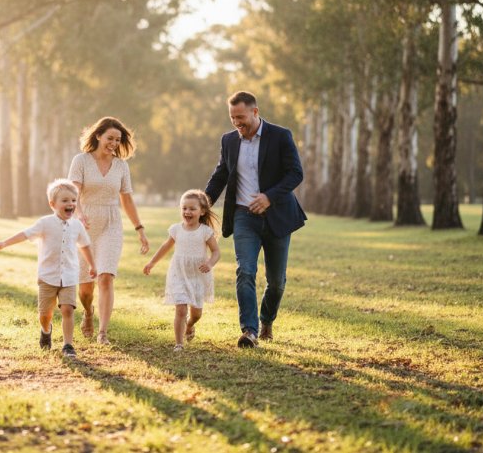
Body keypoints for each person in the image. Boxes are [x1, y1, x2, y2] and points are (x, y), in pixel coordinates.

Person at [204, 91, 306, 348]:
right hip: (243, 216)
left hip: (277, 216)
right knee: (245, 270)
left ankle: (266, 319)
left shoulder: (280, 136)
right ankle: (249, 331)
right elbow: (221, 175)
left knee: (276, 282)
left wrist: (269, 197)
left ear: (255, 112)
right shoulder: (229, 141)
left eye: (241, 116)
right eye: (232, 117)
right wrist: (204, 202)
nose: (237, 122)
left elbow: (295, 173)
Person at [0, 179, 97, 359]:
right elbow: (24, 234)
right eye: (65, 201)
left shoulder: (77, 225)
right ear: (52, 204)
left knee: (67, 310)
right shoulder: (45, 223)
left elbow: (85, 245)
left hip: (70, 276)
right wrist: (4, 243)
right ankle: (46, 330)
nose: (70, 204)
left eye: (73, 200)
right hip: (48, 276)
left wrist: (92, 265)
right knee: (45, 314)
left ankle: (68, 345)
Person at [68, 116, 150, 345]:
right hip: (85, 225)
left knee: (105, 277)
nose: (113, 143)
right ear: (97, 136)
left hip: (111, 223)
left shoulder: (122, 166)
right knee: (85, 289)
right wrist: (79, 213)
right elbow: (74, 192)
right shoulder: (81, 161)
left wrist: (139, 229)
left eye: (118, 139)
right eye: (109, 138)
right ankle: (88, 312)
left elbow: (127, 200)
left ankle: (103, 332)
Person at [143, 190, 221, 351]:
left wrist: (210, 263)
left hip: (198, 275)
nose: (187, 212)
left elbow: (216, 252)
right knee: (180, 309)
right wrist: (151, 263)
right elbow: (165, 247)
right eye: (184, 208)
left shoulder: (205, 232)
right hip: (178, 273)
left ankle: (190, 324)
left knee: (196, 313)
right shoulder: (176, 229)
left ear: (202, 211)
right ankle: (179, 344)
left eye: (192, 209)